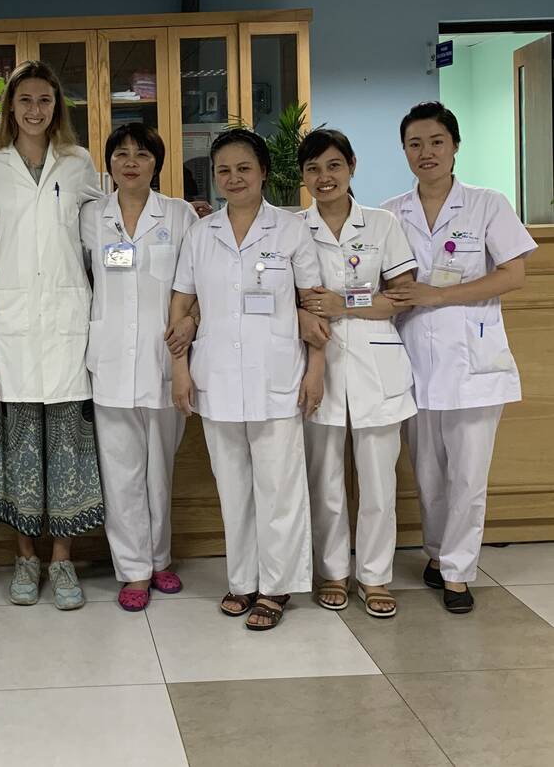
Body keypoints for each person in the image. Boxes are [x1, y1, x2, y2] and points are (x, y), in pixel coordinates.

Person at [0, 60, 104, 610]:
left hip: (68, 319)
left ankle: (62, 561)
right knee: (18, 447)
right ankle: (26, 558)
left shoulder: (78, 162)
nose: (35, 110)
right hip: (15, 322)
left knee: (68, 446)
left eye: (45, 100)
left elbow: (103, 225)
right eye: (25, 101)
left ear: (56, 107)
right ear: (11, 109)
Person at [382, 101, 534, 613]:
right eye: (415, 144)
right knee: (428, 473)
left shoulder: (487, 204)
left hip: (474, 362)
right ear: (404, 151)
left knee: (468, 475)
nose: (426, 153)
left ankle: (458, 572)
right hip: (414, 363)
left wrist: (438, 296)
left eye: (436, 142)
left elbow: (513, 274)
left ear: (454, 146)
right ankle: (435, 552)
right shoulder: (390, 212)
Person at [170, 128, 322, 631]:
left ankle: (276, 586)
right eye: (223, 171)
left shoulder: (292, 230)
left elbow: (313, 307)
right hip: (215, 376)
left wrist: (316, 371)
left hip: (278, 375)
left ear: (263, 173)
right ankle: (243, 580)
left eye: (243, 169)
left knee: (278, 487)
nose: (233, 178)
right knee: (233, 487)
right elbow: (183, 302)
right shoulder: (202, 232)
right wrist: (180, 366)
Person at [295, 128, 418, 618]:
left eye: (333, 166)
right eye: (313, 169)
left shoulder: (382, 224)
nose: (324, 178)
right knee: (324, 479)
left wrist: (345, 302)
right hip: (316, 365)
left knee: (378, 482)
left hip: (377, 364)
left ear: (351, 167)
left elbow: (402, 295)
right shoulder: (290, 228)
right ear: (302, 176)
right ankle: (333, 571)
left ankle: (375, 575)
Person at [80, 124, 198, 611]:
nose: (131, 162)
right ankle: (132, 570)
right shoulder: (90, 217)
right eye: (121, 154)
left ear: (157, 163)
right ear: (108, 164)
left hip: (163, 358)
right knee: (121, 471)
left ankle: (160, 558)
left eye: (142, 154)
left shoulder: (180, 214)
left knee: (159, 470)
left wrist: (190, 322)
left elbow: (196, 284)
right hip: (108, 359)